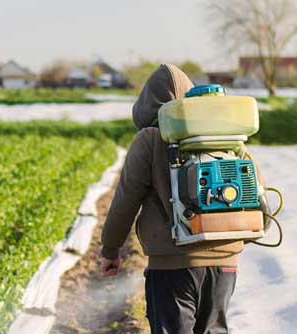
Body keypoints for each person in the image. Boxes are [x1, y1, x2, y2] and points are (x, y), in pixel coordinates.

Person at [100, 64, 242, 334]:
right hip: (225, 261)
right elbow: (257, 189)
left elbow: (126, 200)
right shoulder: (223, 135)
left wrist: (111, 249)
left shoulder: (150, 139)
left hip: (173, 264)